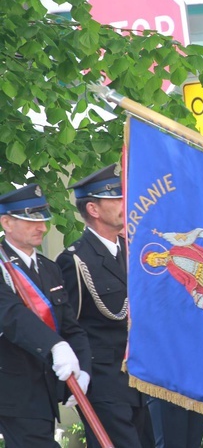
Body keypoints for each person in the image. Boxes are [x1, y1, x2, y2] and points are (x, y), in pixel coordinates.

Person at [56, 164, 150, 447]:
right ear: (94, 210)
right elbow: (69, 325)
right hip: (103, 381)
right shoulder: (75, 260)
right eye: (116, 199)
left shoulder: (133, 252)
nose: (125, 204)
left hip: (137, 380)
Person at [0, 184, 91, 447]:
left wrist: (84, 369)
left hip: (45, 389)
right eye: (30, 220)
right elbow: (11, 315)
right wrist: (56, 345)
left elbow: (71, 327)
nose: (41, 227)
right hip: (13, 388)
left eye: (42, 220)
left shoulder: (49, 270)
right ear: (6, 222)